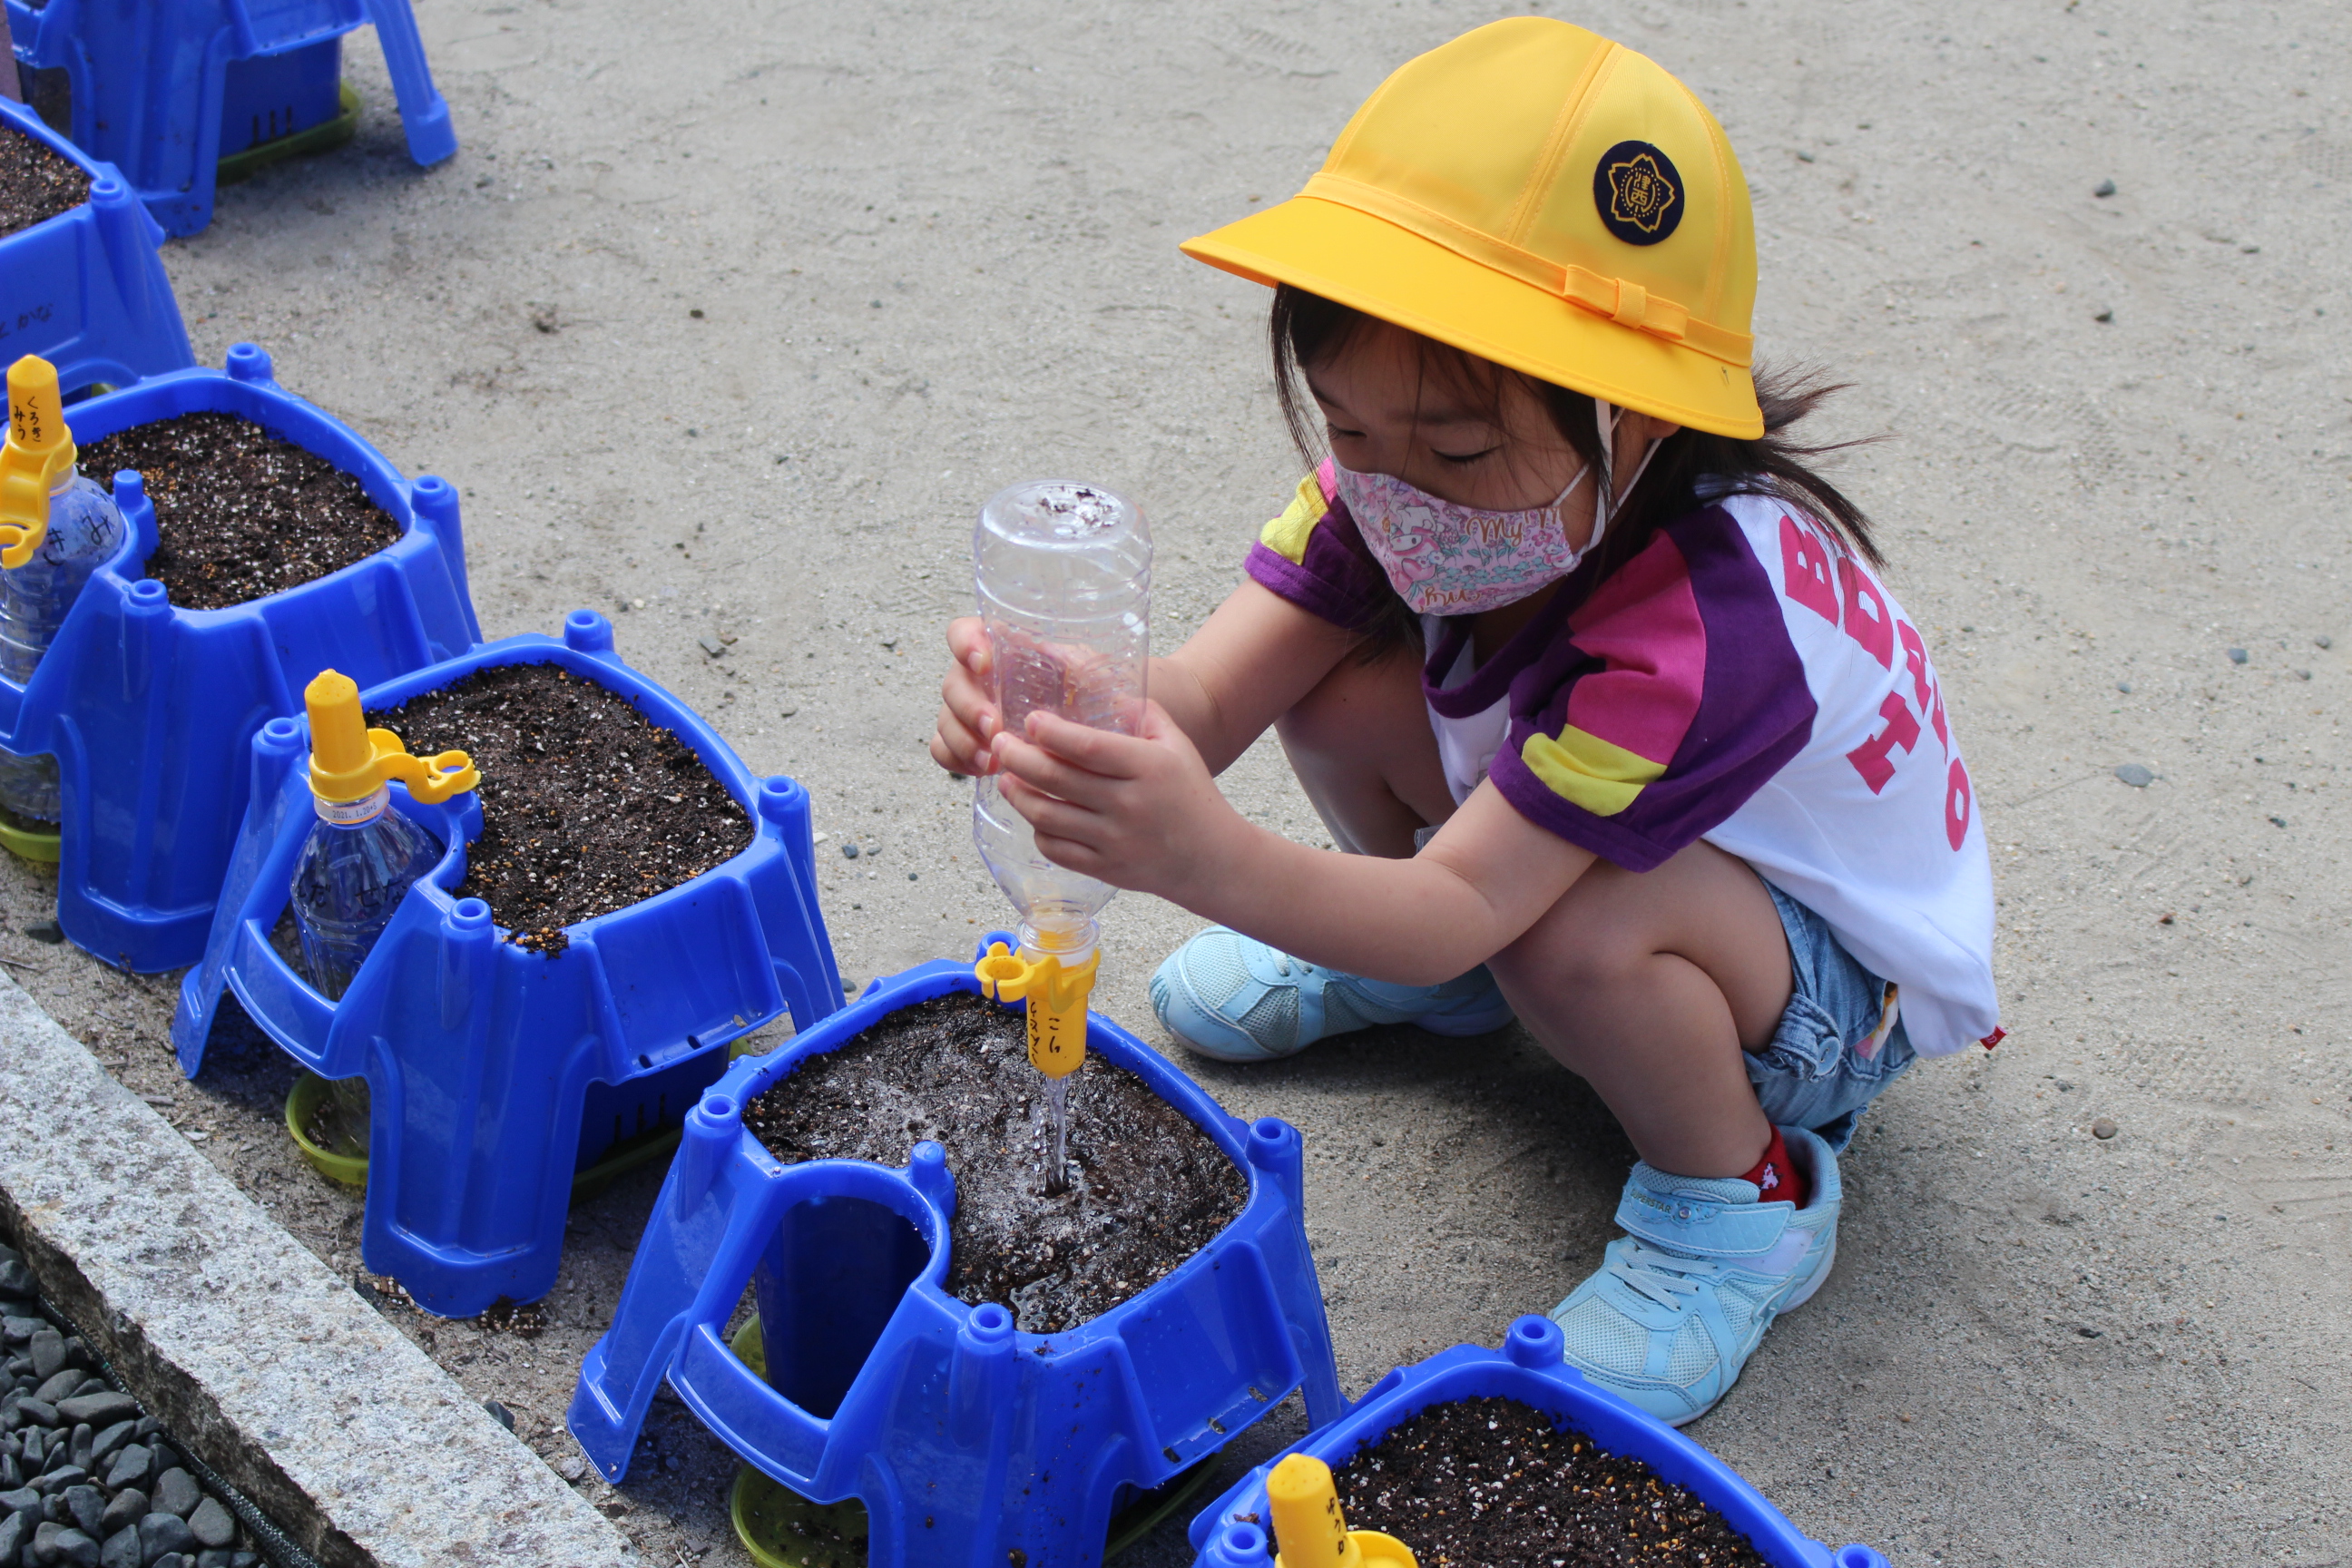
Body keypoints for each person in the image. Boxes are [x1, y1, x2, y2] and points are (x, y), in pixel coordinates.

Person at [928, 17, 1998, 1426]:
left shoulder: (1697, 629)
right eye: (1349, 429)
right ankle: (1433, 990)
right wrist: (1075, 706)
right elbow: (1208, 696)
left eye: (1451, 447)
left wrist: (1206, 858)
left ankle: (1741, 1203)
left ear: (1639, 422)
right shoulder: (1408, 496)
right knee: (1341, 678)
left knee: (1569, 925)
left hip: (1829, 1005)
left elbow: (1465, 901)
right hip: (1628, 883)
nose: (1390, 487)